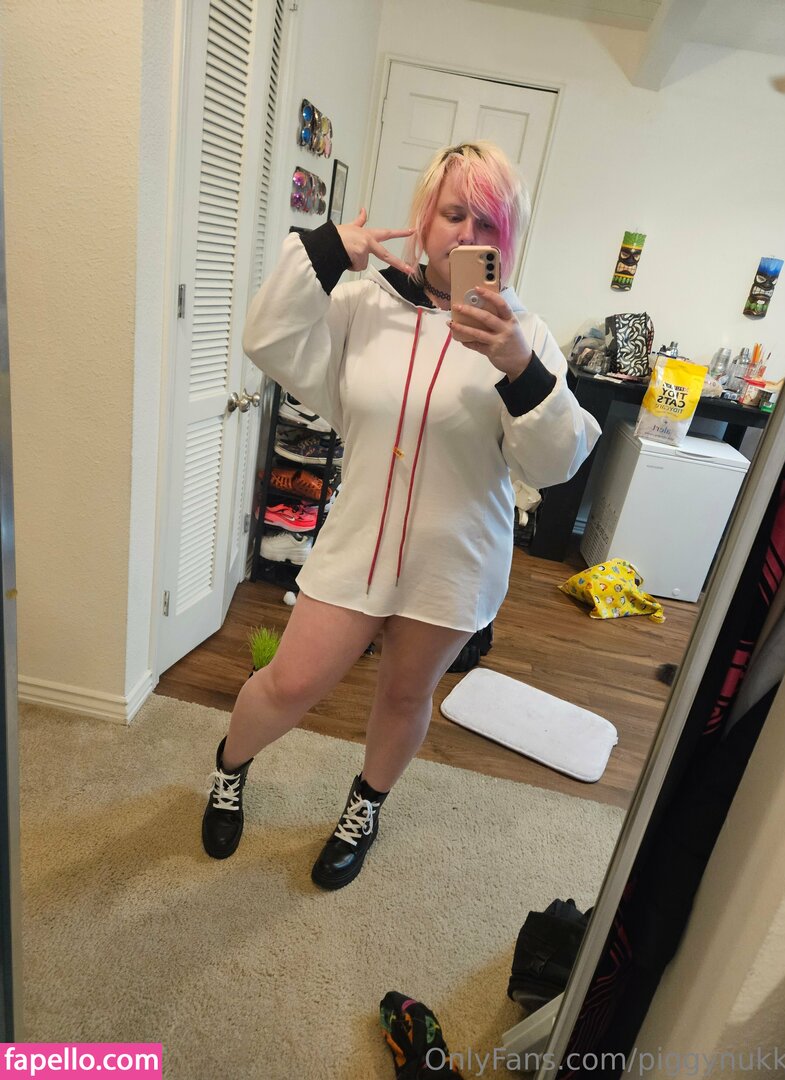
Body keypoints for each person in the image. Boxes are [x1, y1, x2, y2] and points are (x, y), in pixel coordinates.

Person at [201, 141, 600, 890]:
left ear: (507, 238)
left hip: (455, 560)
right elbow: (269, 342)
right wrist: (326, 252)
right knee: (290, 683)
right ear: (424, 218)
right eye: (454, 213)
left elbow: (555, 464)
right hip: (358, 543)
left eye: (488, 221)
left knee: (406, 695)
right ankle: (229, 768)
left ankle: (364, 808)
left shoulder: (525, 334)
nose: (467, 233)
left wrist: (520, 366)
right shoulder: (363, 305)